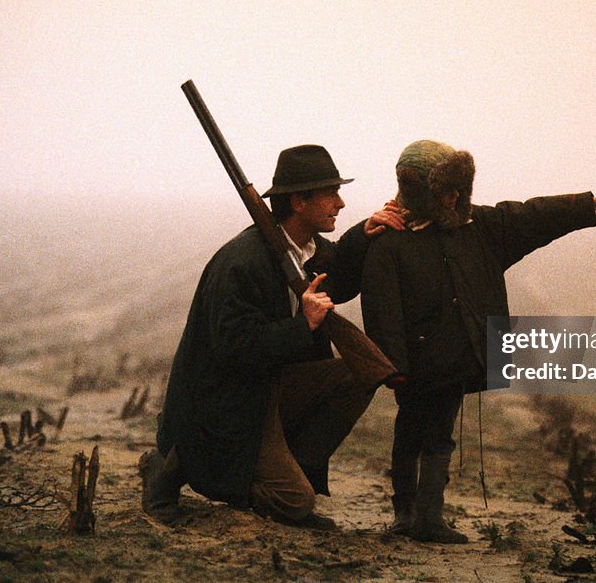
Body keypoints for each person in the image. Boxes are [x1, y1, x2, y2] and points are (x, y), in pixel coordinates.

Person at [140, 144, 405, 529]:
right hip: (230, 399)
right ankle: (173, 463)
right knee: (293, 503)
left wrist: (365, 236)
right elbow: (234, 347)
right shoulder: (241, 262)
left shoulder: (306, 250)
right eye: (330, 193)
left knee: (360, 373)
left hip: (269, 388)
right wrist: (304, 326)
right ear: (299, 201)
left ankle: (289, 466)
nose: (341, 202)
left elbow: (338, 276)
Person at [361, 140, 596, 543]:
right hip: (415, 363)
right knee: (409, 429)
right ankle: (408, 515)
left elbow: (528, 217)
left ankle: (424, 516)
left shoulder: (480, 228)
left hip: (458, 358)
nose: (455, 196)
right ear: (424, 192)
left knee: (437, 430)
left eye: (459, 188)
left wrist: (579, 208)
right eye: (446, 189)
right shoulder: (389, 240)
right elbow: (382, 309)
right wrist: (393, 366)